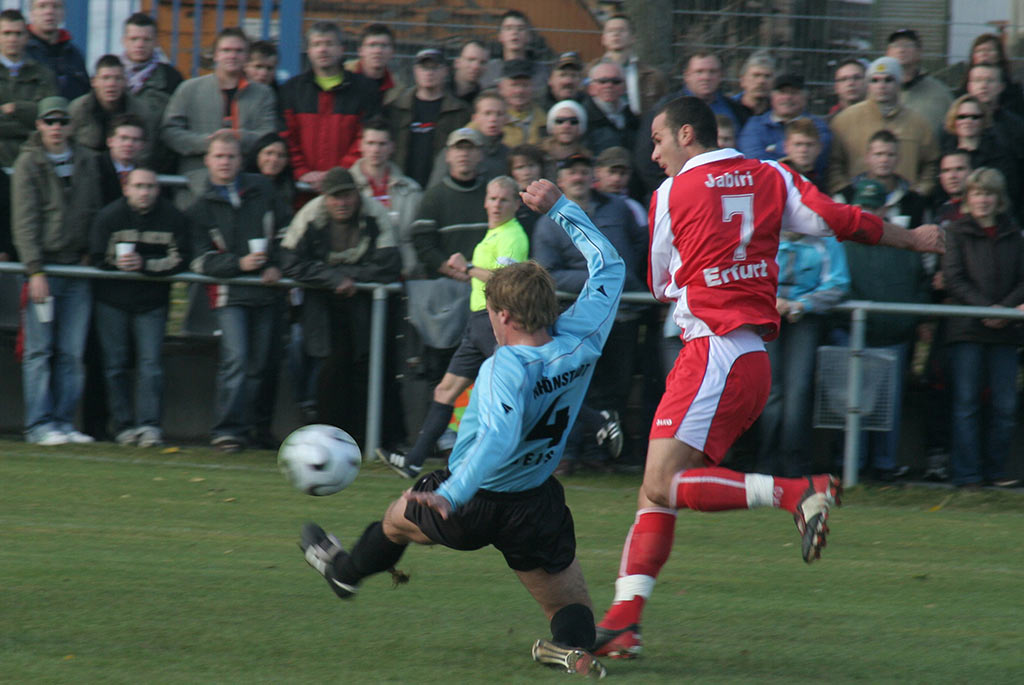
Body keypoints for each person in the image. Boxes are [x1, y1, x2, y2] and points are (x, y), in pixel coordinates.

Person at [591, 96, 942, 659]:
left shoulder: (670, 195)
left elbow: (659, 285)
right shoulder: (774, 175)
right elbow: (838, 220)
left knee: (660, 484)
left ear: (686, 135)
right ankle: (623, 622)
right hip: (754, 357)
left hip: (712, 352)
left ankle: (797, 491)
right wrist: (915, 238)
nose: (653, 154)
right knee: (656, 491)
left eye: (657, 141)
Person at [299, 178, 624, 680]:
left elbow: (498, 437)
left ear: (505, 314)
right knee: (568, 603)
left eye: (492, 312)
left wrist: (453, 492)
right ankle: (571, 651)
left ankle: (344, 574)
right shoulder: (584, 335)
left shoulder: (505, 368)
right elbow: (610, 264)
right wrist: (560, 206)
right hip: (535, 500)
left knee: (394, 519)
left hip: (470, 499)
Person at [376, 176, 529, 479]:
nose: (497, 205)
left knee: (527, 388)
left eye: (504, 200)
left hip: (495, 321)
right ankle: (414, 462)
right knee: (446, 390)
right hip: (477, 322)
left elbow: (506, 281)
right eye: (493, 198)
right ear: (485, 201)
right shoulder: (493, 234)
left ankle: (597, 423)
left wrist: (468, 268)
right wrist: (469, 271)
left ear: (515, 204)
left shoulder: (513, 235)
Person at [532, 153, 643, 465]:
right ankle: (569, 455)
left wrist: (630, 282)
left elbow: (638, 249)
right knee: (577, 386)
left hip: (624, 315)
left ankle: (605, 457)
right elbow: (546, 273)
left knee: (616, 387)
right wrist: (601, 279)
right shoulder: (548, 223)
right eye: (571, 172)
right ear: (561, 180)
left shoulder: (618, 208)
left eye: (583, 171)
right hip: (576, 320)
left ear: (592, 174)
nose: (578, 177)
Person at [280, 167, 402, 443]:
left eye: (347, 195)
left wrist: (349, 278)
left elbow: (391, 264)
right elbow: (288, 261)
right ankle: (329, 438)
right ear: (325, 198)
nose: (341, 203)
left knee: (368, 368)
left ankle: (371, 438)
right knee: (329, 370)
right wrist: (331, 278)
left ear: (356, 194)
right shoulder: (310, 215)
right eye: (335, 197)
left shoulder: (375, 214)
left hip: (367, 305)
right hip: (322, 305)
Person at [186, 131, 290, 453]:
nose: (225, 162)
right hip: (229, 295)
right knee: (237, 359)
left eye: (230, 156)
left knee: (263, 364)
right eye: (218, 156)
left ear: (240, 160)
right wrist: (239, 264)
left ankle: (257, 430)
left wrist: (276, 265)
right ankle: (227, 430)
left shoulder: (264, 189)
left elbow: (288, 235)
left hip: (268, 292)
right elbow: (200, 261)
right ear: (207, 160)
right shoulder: (200, 207)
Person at [11, 95, 102, 445]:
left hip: (77, 270)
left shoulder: (85, 160)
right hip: (44, 269)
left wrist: (89, 253)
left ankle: (64, 422)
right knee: (39, 351)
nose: (56, 128)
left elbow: (94, 208)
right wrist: (34, 270)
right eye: (49, 121)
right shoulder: (28, 163)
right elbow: (25, 220)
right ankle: (38, 424)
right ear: (39, 125)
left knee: (71, 352)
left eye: (62, 121)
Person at [89, 168, 191, 447]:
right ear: (126, 188)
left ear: (158, 190)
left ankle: (149, 427)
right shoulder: (109, 217)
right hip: (112, 302)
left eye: (150, 186)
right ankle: (122, 426)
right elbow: (97, 256)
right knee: (115, 365)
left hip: (152, 303)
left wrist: (145, 266)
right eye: (138, 186)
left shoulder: (172, 217)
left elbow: (181, 259)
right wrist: (117, 264)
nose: (144, 192)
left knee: (151, 365)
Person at [943, 167, 1024, 489]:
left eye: (989, 193)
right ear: (968, 197)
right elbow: (953, 277)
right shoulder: (956, 232)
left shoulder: (1014, 234)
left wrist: (1004, 310)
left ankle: (995, 471)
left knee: (1005, 404)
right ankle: (967, 475)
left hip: (1006, 330)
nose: (983, 200)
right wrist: (984, 309)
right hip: (967, 329)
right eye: (977, 193)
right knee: (966, 403)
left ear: (999, 198)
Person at [756, 225, 850, 477]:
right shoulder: (761, 233)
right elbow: (748, 275)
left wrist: (802, 304)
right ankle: (765, 463)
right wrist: (770, 301)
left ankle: (794, 466)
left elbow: (838, 284)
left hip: (805, 318)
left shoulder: (826, 240)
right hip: (766, 314)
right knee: (769, 390)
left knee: (798, 389)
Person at [405, 128, 489, 389]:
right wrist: (455, 271)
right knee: (443, 378)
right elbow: (423, 244)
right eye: (458, 148)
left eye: (470, 148)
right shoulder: (433, 197)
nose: (464, 154)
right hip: (446, 303)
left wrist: (475, 274)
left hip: (485, 300)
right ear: (448, 156)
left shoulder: (492, 195)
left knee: (482, 375)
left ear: (480, 155)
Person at [279, 21, 380, 193]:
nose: (322, 50)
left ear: (342, 48)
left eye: (329, 43)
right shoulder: (291, 90)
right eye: (316, 44)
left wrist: (337, 175)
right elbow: (286, 136)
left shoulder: (365, 90)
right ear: (308, 50)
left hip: (348, 189)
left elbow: (365, 139)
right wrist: (302, 172)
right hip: (299, 188)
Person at [162, 27, 277, 175]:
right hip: (196, 179)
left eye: (239, 51)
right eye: (226, 50)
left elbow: (269, 137)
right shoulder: (189, 89)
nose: (232, 56)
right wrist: (209, 143)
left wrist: (237, 137)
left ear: (247, 56)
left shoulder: (263, 94)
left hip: (247, 179)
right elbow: (169, 132)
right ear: (215, 55)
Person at [828, 56, 939, 196]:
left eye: (888, 80)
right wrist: (844, 190)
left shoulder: (919, 123)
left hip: (903, 204)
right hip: (859, 202)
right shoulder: (844, 121)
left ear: (899, 83)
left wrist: (919, 193)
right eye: (875, 80)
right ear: (868, 84)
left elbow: (931, 164)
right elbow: (833, 163)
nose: (881, 86)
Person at [346, 117, 424, 278]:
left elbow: (419, 238)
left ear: (392, 147)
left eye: (382, 144)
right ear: (361, 145)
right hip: (356, 272)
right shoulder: (346, 187)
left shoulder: (411, 190)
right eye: (370, 143)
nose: (376, 150)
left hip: (402, 274)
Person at [387, 48, 470, 189]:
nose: (429, 72)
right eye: (423, 67)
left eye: (435, 67)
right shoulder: (396, 109)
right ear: (415, 71)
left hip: (441, 186)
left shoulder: (460, 111)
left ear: (445, 71)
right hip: (401, 186)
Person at [120, 12, 183, 173]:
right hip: (114, 167)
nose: (140, 44)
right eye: (134, 39)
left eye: (146, 39)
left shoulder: (171, 78)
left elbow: (177, 124)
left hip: (158, 168)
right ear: (124, 41)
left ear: (155, 42)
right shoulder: (110, 74)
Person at [737, 73, 831, 179]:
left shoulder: (818, 126)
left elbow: (816, 160)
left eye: (794, 93)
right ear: (772, 96)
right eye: (782, 92)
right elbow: (754, 161)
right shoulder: (754, 125)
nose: (787, 97)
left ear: (805, 97)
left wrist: (774, 148)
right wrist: (791, 156)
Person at [0, 8, 56, 166]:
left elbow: (50, 119)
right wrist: (28, 126)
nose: (12, 39)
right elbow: (37, 121)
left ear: (26, 37)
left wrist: (16, 108)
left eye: (18, 33)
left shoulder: (44, 74)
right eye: (6, 33)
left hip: (34, 162)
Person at [69, 54, 151, 159]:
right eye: (105, 78)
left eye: (118, 78)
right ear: (94, 82)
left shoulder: (141, 111)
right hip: (87, 169)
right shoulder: (77, 109)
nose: (111, 84)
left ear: (126, 82)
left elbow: (146, 151)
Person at [426, 90, 508, 190]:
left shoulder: (508, 154)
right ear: (475, 118)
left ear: (506, 119)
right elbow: (434, 191)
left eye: (499, 114)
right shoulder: (454, 151)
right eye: (487, 113)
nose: (493, 119)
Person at [886, 28, 953, 136]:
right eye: (896, 45)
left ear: (919, 52)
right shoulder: (876, 91)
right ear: (888, 52)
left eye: (907, 45)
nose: (901, 50)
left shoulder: (940, 94)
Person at [597, 14, 667, 116]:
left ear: (633, 37)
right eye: (611, 31)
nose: (616, 34)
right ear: (603, 39)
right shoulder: (591, 71)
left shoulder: (653, 76)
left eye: (621, 30)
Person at [25, 0, 87, 101]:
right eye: (42, 6)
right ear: (31, 12)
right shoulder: (21, 52)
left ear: (63, 13)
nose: (49, 11)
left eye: (56, 6)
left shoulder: (73, 53)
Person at [956, 33, 1024, 118]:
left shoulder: (1014, 94)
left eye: (989, 50)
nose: (984, 54)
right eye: (979, 51)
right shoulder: (961, 94)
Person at [480, 10, 549, 93]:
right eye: (508, 28)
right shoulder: (489, 70)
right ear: (500, 36)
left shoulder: (541, 72)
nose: (514, 32)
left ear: (529, 36)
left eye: (520, 29)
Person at [582, 60, 638, 155]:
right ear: (591, 88)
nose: (608, 85)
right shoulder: (582, 118)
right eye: (602, 81)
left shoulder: (633, 118)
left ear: (624, 87)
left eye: (615, 81)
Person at [343, 23, 401, 100]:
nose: (378, 51)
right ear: (360, 51)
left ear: (393, 52)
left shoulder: (398, 89)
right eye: (372, 45)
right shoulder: (342, 75)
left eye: (384, 45)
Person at [499, 59, 546, 147]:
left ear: (533, 87)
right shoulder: (490, 117)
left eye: (525, 85)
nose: (519, 91)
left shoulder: (544, 120)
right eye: (514, 85)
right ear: (501, 87)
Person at [541, 100, 590, 175]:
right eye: (560, 121)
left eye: (573, 121)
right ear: (551, 126)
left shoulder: (587, 160)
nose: (566, 126)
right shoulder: (539, 157)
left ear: (581, 128)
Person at [778, 118, 827, 191]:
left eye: (809, 145)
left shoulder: (823, 179)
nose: (803, 150)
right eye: (798, 144)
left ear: (819, 148)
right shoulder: (777, 176)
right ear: (786, 147)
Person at [732, 51, 775, 119]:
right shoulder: (729, 108)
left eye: (767, 76)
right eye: (756, 75)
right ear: (743, 80)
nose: (761, 81)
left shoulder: (778, 111)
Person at [450, 40, 489, 105]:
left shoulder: (484, 102)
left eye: (482, 62)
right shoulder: (437, 91)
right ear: (457, 62)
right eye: (471, 60)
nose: (476, 66)